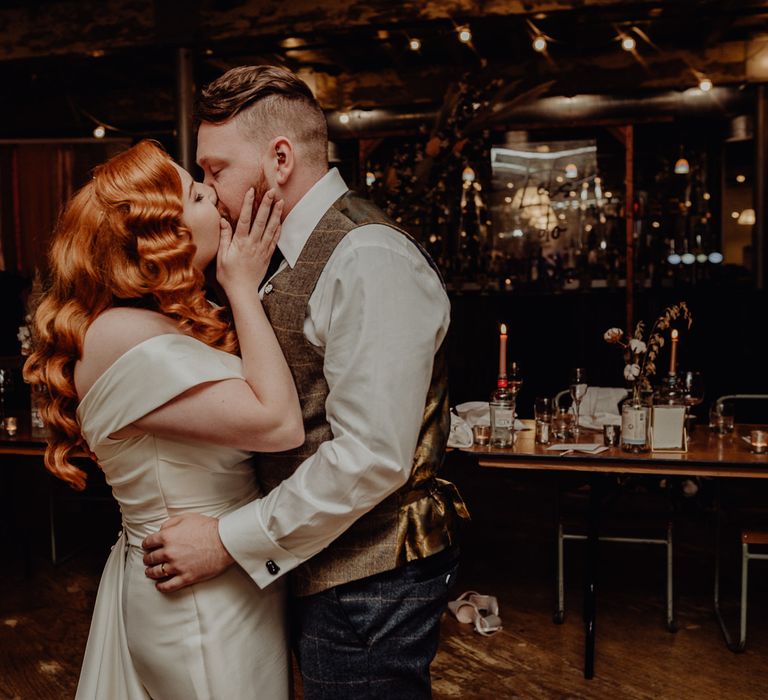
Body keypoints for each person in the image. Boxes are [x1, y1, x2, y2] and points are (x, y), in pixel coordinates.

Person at [141, 65, 470, 699]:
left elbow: (371, 455)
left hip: (371, 580)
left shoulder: (367, 255)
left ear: (280, 158)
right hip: (324, 566)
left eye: (215, 170)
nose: (208, 188)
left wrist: (225, 541)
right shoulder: (278, 253)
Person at [23, 139, 303, 700]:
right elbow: (278, 424)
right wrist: (241, 285)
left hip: (221, 580)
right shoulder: (119, 334)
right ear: (159, 233)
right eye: (198, 194)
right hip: (196, 604)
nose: (217, 200)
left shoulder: (148, 323)